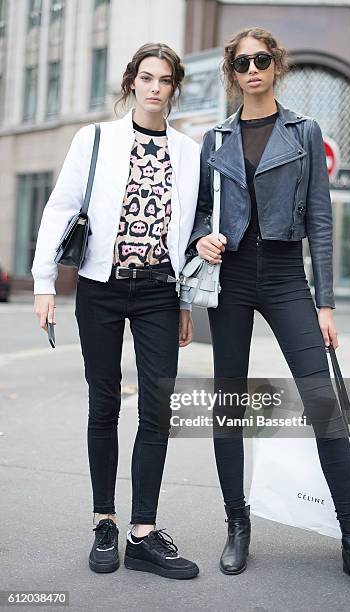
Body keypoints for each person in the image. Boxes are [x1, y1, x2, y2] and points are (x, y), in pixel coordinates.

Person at [186, 27, 350, 594]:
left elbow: (320, 222)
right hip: (231, 278)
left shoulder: (303, 130)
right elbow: (200, 214)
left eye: (262, 60)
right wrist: (203, 238)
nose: (252, 69)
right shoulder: (215, 139)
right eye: (243, 61)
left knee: (323, 404)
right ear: (232, 71)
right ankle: (237, 524)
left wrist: (326, 302)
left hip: (283, 276)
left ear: (277, 67)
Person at [32, 43, 201, 580]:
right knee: (103, 404)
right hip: (101, 289)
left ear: (174, 88)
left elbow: (190, 230)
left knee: (158, 409)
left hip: (158, 290)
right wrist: (42, 284)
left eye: (165, 79)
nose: (155, 87)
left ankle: (144, 533)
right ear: (132, 82)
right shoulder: (96, 138)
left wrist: (185, 301)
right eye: (146, 77)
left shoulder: (189, 152)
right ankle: (105, 522)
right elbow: (61, 206)